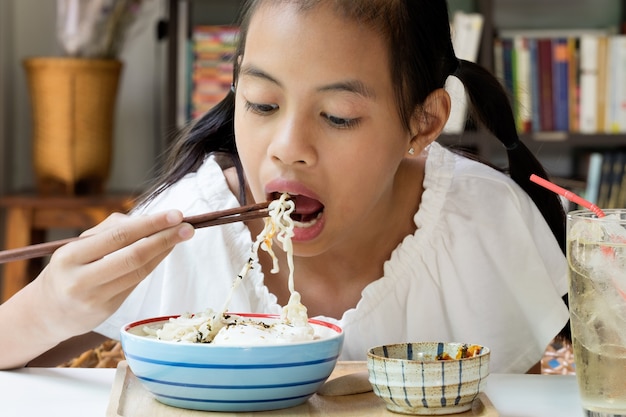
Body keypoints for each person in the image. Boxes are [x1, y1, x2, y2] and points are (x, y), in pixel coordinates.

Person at [0, 0, 570, 373]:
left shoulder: (484, 222)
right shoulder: (186, 233)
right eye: (262, 104)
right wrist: (48, 304)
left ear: (421, 122)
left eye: (339, 115)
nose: (286, 146)